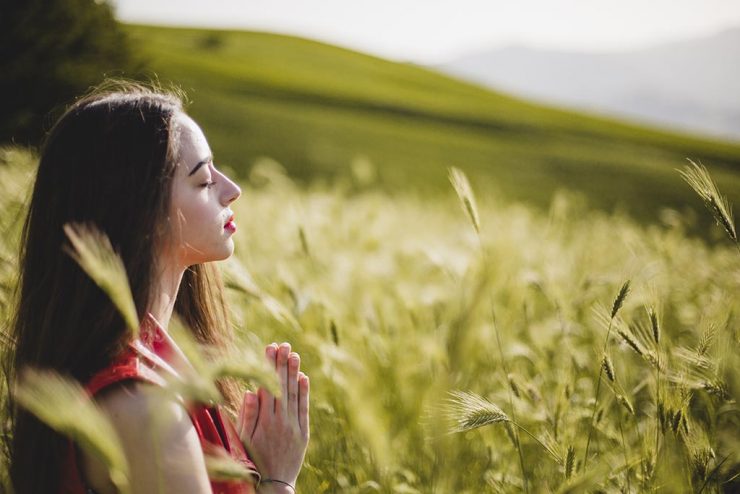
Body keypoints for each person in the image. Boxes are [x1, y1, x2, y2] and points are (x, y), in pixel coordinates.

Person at [2, 82, 309, 493]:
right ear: (139, 211)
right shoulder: (143, 411)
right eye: (203, 181)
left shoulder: (167, 364)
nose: (231, 190)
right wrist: (278, 478)